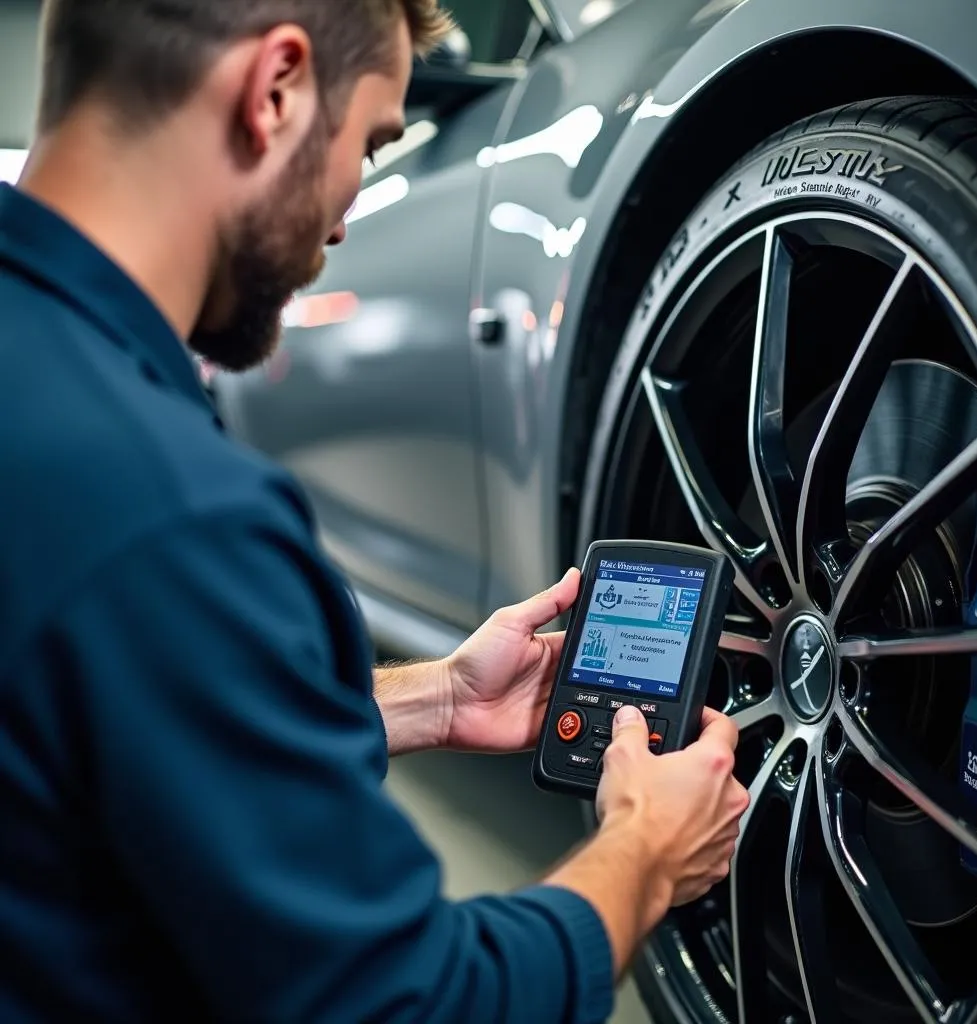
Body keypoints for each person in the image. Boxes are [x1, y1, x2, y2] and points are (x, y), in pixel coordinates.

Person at [0, 1, 750, 1021]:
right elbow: (410, 1004)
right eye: (371, 142)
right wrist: (646, 854)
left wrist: (433, 697)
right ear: (275, 91)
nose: (349, 213)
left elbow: (130, 708)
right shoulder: (177, 515)